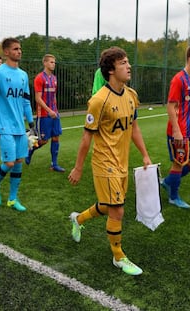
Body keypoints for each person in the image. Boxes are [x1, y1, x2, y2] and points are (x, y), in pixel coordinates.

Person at [67, 47, 151, 276]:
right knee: (118, 211)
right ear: (111, 70)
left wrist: (144, 154)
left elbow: (134, 128)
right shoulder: (98, 101)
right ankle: (119, 257)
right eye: (123, 63)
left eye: (127, 62)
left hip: (122, 162)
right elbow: (86, 137)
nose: (128, 66)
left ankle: (79, 218)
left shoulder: (132, 95)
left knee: (109, 205)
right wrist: (78, 167)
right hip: (104, 163)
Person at [0, 38, 35, 212]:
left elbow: (26, 102)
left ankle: (13, 199)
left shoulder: (23, 75)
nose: (19, 51)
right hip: (4, 126)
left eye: (20, 48)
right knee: (10, 163)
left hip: (20, 127)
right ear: (6, 52)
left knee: (19, 161)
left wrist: (32, 124)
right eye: (15, 49)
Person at [160, 44, 190, 209]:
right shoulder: (178, 79)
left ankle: (168, 181)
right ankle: (173, 197)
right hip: (178, 131)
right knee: (179, 163)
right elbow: (170, 106)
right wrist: (177, 131)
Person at [25, 54, 65, 172]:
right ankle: (30, 151)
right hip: (43, 115)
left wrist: (55, 111)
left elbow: (53, 97)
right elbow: (38, 98)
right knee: (43, 141)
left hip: (54, 114)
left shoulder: (54, 78)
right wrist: (49, 111)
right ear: (45, 63)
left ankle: (54, 164)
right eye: (51, 62)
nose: (54, 64)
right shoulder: (39, 78)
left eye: (54, 62)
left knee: (56, 137)